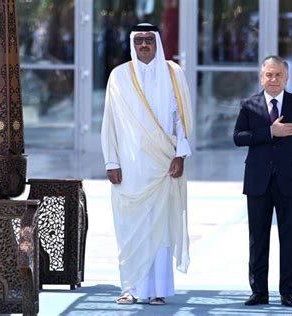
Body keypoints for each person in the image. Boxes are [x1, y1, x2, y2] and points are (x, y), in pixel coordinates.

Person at [101, 23, 193, 305]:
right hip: (129, 167)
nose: (144, 45)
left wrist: (180, 155)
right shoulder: (119, 76)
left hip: (164, 165)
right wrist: (111, 161)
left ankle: (158, 290)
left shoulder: (174, 74)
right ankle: (129, 287)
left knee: (161, 227)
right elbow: (110, 123)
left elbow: (182, 120)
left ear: (157, 42)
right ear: (132, 42)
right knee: (130, 228)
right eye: (139, 40)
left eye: (149, 40)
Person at [233, 56, 292, 307]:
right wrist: (270, 132)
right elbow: (238, 137)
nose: (273, 79)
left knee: (290, 239)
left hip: (290, 181)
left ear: (286, 77)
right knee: (258, 238)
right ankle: (259, 291)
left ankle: (287, 292)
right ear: (261, 77)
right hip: (258, 181)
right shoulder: (249, 105)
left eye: (278, 75)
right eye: (268, 74)